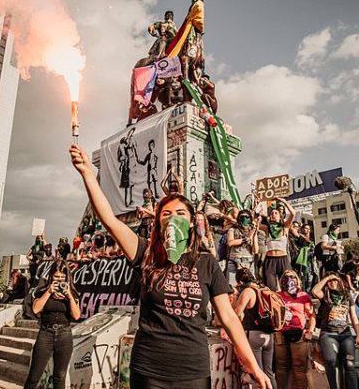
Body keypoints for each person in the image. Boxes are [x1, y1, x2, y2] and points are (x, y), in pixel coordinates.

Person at [69, 144, 272, 389]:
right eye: (166, 214)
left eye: (180, 213)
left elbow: (228, 318)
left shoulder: (206, 263)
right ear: (157, 222)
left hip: (194, 372)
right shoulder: (146, 253)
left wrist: (254, 366)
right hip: (149, 370)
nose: (173, 218)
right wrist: (88, 174)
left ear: (192, 222)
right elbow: (110, 221)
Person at [23, 260, 80, 389]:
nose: (59, 280)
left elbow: (76, 315)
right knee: (34, 375)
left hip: (64, 334)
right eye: (56, 277)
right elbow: (36, 309)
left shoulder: (71, 292)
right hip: (45, 333)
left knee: (60, 376)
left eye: (62, 277)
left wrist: (69, 296)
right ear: (51, 276)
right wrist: (48, 292)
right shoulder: (42, 290)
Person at [312, 273, 359, 389]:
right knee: (330, 361)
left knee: (350, 364)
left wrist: (358, 334)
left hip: (345, 334)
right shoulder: (325, 295)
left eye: (335, 281)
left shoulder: (347, 295)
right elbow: (314, 291)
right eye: (330, 281)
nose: (333, 283)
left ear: (339, 282)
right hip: (328, 334)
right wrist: (328, 277)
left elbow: (353, 317)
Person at [233, 268, 277, 389]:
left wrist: (236, 295)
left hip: (254, 334)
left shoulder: (248, 291)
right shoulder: (264, 289)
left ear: (240, 282)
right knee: (269, 373)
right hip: (269, 335)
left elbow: (236, 313)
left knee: (257, 374)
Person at [274, 270, 315, 389]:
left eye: (292, 277)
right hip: (281, 334)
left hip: (299, 334)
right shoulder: (277, 295)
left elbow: (312, 315)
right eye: (286, 277)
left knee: (299, 367)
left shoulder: (303, 296)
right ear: (282, 281)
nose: (289, 279)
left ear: (297, 280)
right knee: (281, 368)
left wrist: (310, 331)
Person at [260, 198, 295, 291]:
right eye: (271, 213)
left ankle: (291, 304)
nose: (273, 215)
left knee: (289, 286)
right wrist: (258, 204)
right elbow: (254, 223)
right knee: (270, 287)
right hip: (270, 260)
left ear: (280, 216)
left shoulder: (285, 227)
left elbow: (293, 214)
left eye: (276, 213)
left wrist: (283, 201)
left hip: (282, 259)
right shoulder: (267, 228)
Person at [226, 210, 259, 287]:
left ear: (250, 219)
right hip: (234, 260)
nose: (244, 219)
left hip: (248, 262)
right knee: (233, 287)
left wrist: (253, 235)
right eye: (242, 217)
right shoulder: (233, 229)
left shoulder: (252, 231)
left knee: (250, 287)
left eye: (247, 217)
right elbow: (230, 242)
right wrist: (246, 239)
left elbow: (255, 250)